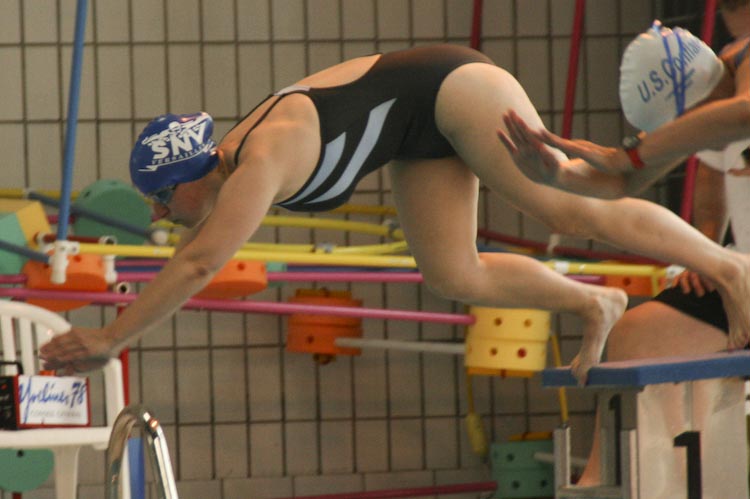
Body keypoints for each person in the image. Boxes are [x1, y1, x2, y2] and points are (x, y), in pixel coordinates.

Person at [39, 43, 750, 386]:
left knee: (561, 201)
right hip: (417, 129)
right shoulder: (232, 168)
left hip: (455, 88)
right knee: (453, 273)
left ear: (190, 177)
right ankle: (596, 304)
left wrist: (111, 336)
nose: (162, 215)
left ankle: (727, 267)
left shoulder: (262, 159)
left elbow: (199, 264)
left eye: (163, 200)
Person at [499, 0, 750, 485]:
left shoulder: (742, 63)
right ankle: (612, 484)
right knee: (638, 337)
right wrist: (558, 175)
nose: (694, 136)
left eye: (687, 123)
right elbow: (623, 184)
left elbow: (740, 114)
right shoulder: (717, 81)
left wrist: (629, 154)